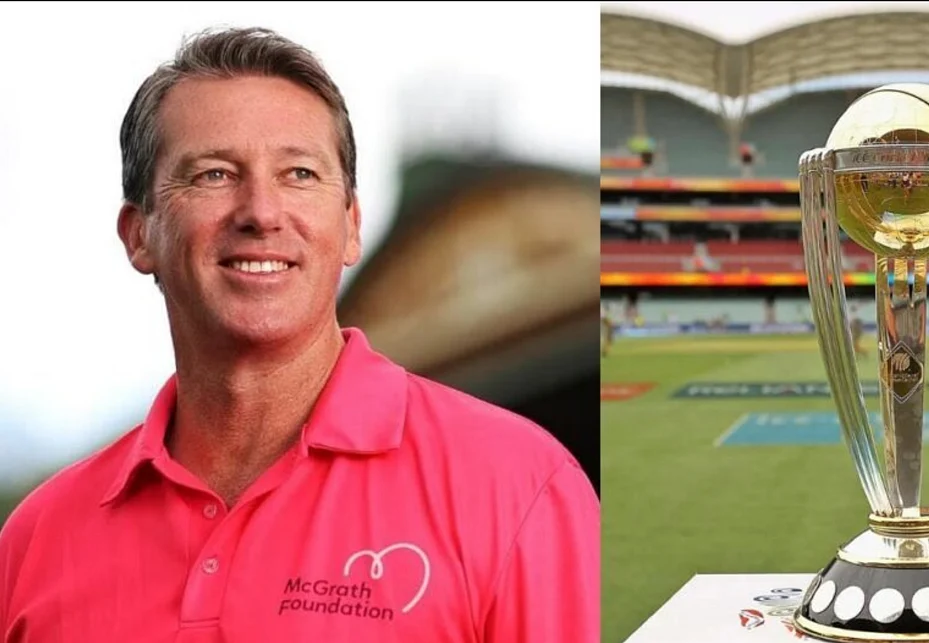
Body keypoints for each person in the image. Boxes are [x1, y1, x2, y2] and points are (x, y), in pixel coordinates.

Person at [0, 27, 598, 643]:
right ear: (138, 234)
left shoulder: (518, 485)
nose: (261, 212)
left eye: (300, 173)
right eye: (213, 174)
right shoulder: (34, 541)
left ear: (351, 226)